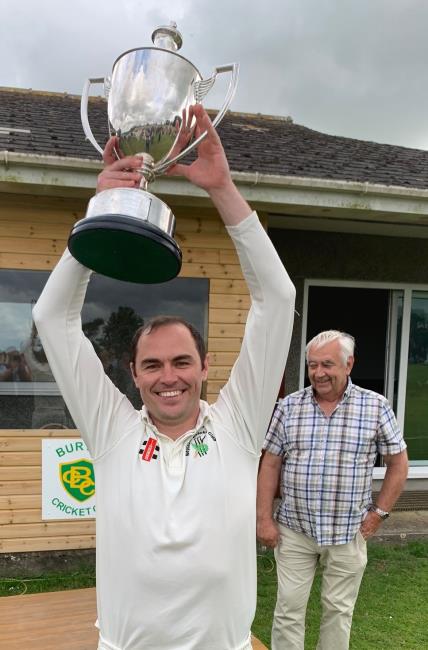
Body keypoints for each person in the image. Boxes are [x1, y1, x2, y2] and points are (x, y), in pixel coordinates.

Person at [33, 104, 296, 650]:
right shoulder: (112, 432)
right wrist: (100, 211)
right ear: (132, 374)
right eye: (152, 364)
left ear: (205, 368)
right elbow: (51, 318)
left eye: (181, 362)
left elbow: (278, 298)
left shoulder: (240, 428)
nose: (167, 377)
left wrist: (222, 189)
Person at [257, 329, 408, 650]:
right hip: (294, 530)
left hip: (347, 532)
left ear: (348, 364)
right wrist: (264, 519)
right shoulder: (289, 407)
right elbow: (270, 463)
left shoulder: (375, 406)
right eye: (313, 365)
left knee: (338, 611)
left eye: (327, 364)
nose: (318, 373)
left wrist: (379, 513)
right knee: (288, 611)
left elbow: (398, 462)